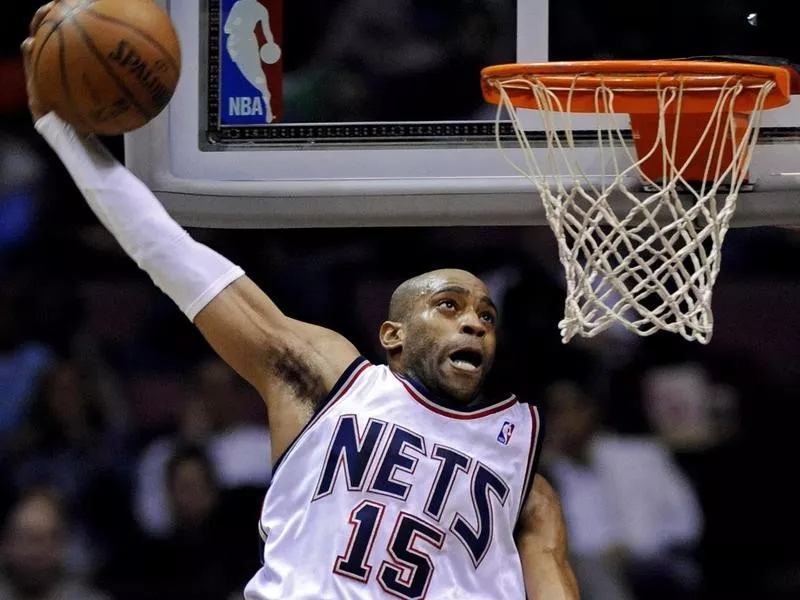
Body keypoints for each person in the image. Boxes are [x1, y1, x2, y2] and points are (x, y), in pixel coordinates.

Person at [20, 3, 580, 598]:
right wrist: (61, 131)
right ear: (392, 335)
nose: (475, 322)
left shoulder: (523, 470)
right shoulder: (330, 382)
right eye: (450, 305)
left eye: (486, 316)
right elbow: (173, 256)